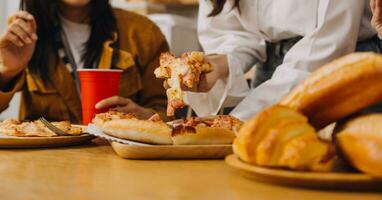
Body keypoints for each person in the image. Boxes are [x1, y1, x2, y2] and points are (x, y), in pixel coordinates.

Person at [181, 0, 377, 121]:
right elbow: (234, 31)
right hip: (269, 68)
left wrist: (242, 119)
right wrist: (219, 63)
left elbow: (329, 41)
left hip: (345, 63)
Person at [0, 0, 168, 123]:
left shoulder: (143, 32)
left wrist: (144, 116)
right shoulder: (25, 33)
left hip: (119, 163)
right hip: (45, 165)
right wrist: (7, 71)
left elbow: (170, 114)